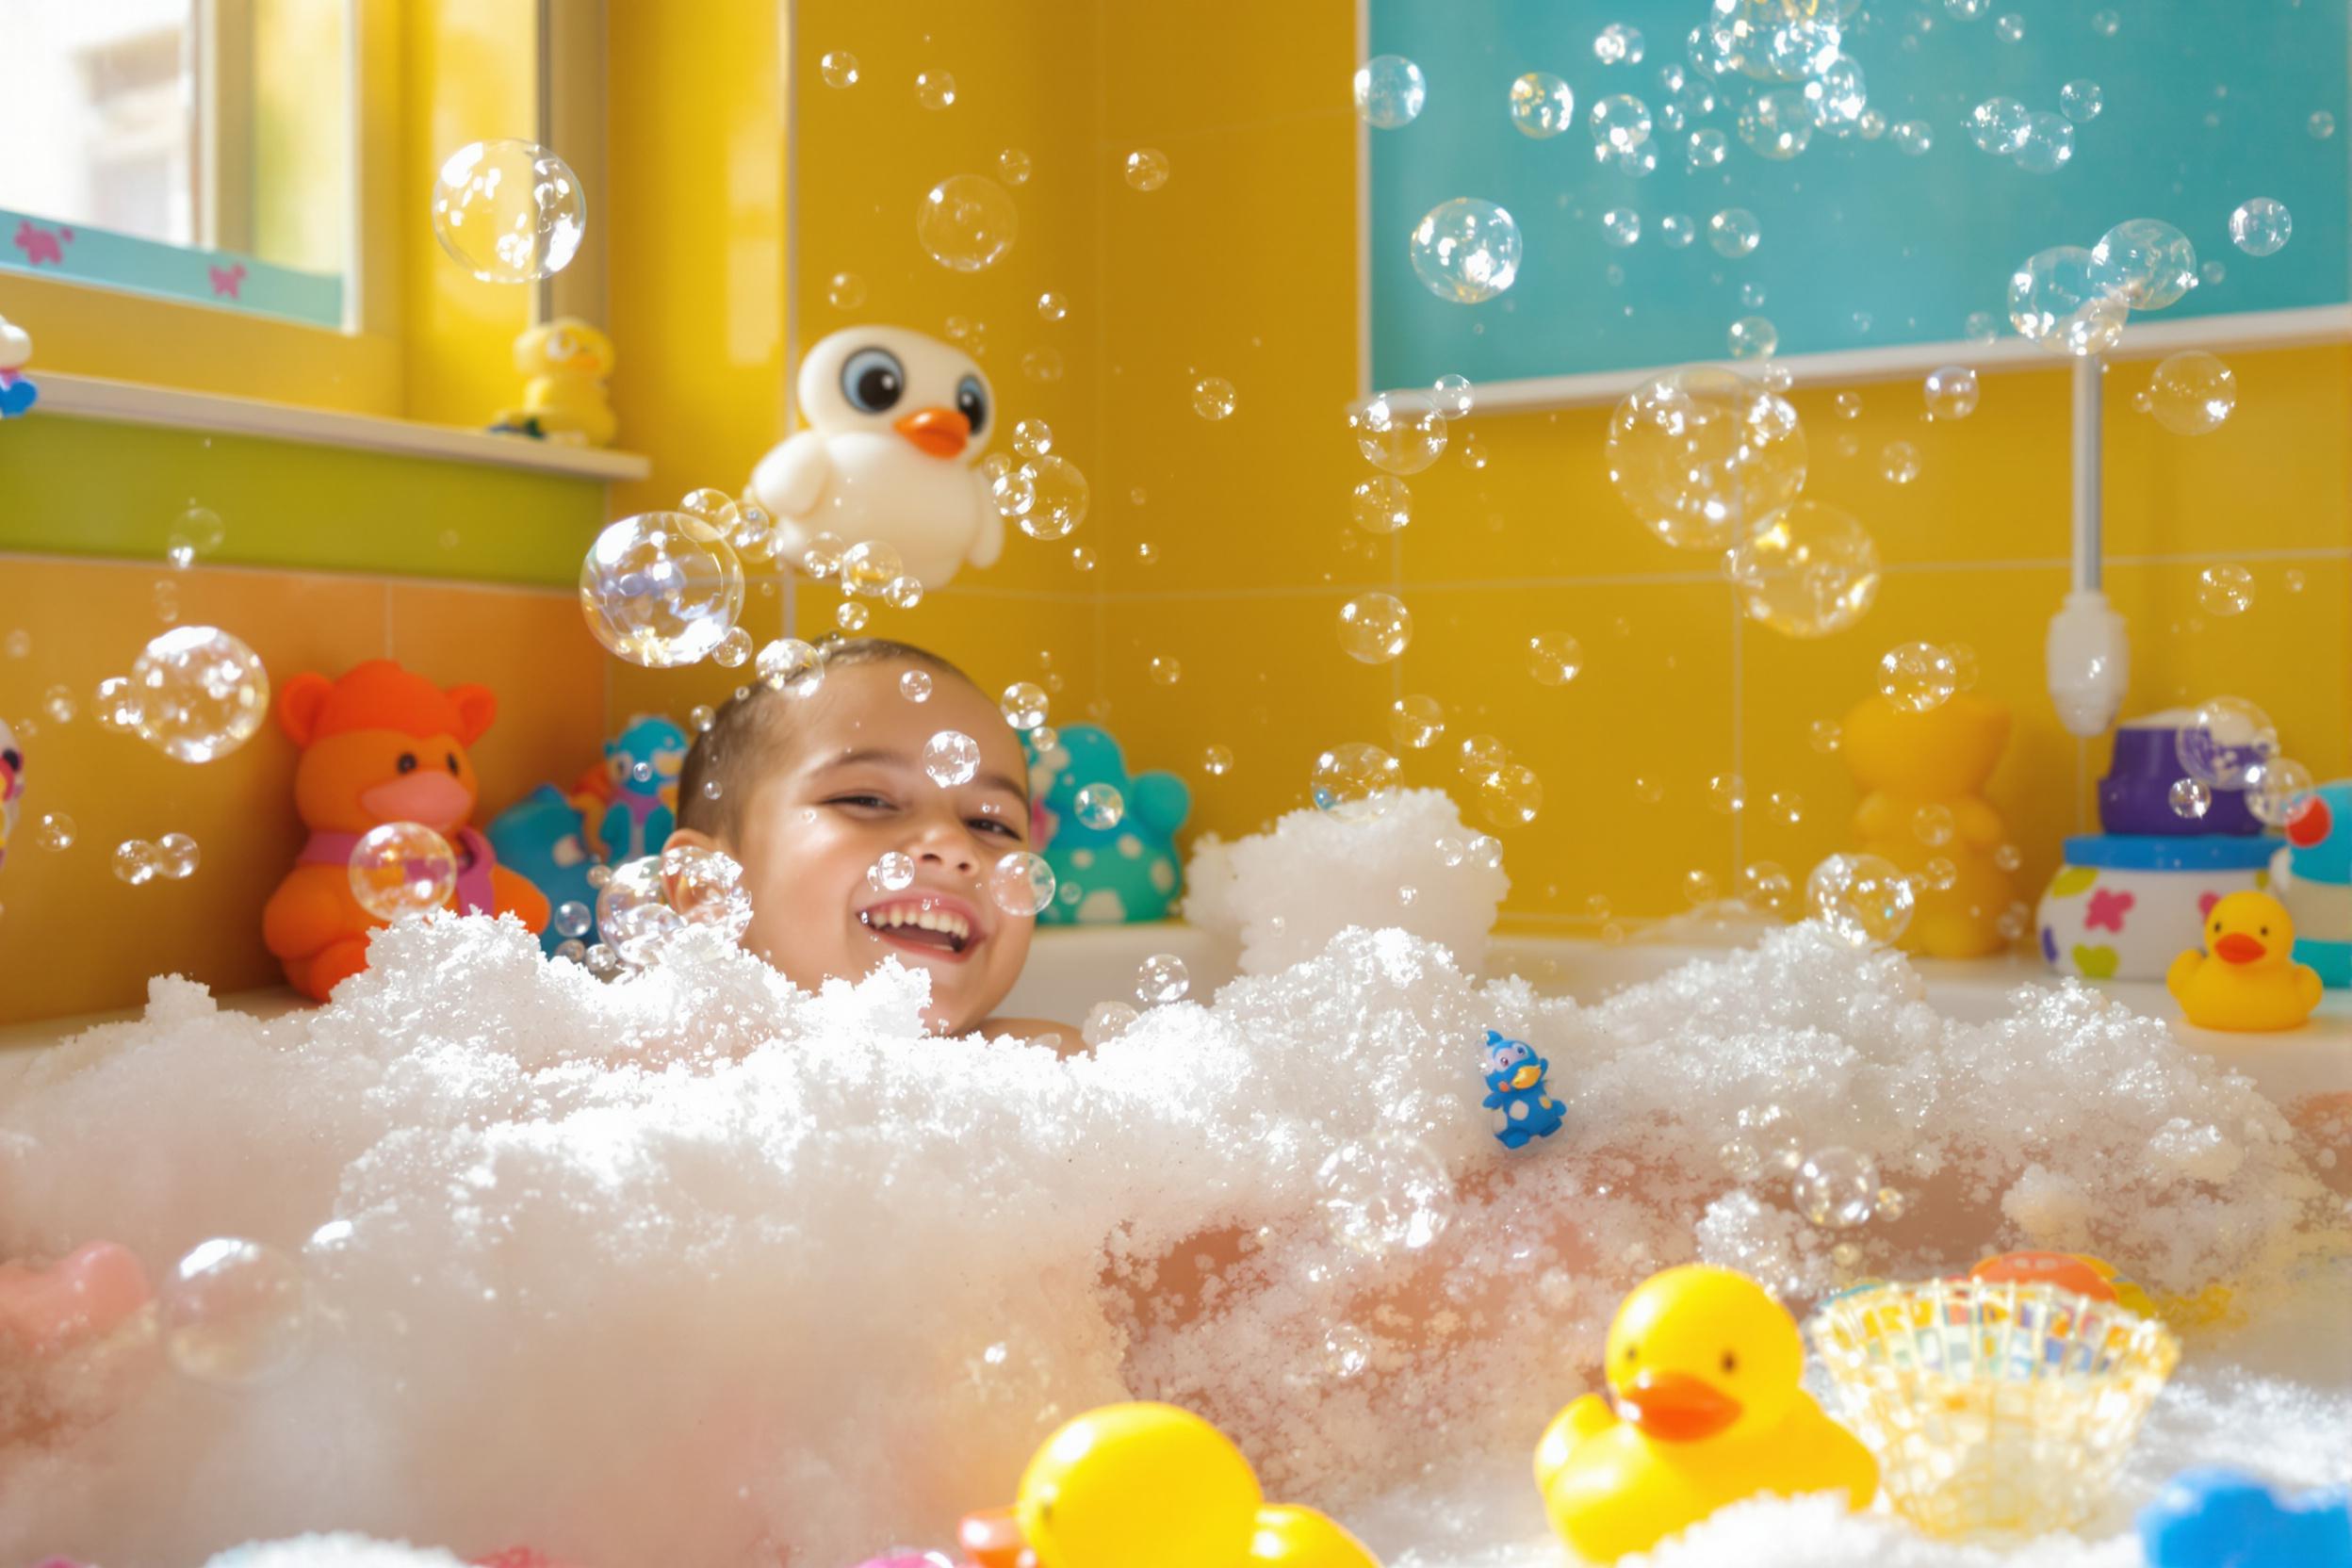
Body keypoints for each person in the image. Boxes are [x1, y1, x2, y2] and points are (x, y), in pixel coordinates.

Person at [664, 638, 1070, 1046]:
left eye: (990, 823)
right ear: (708, 887)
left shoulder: (1049, 1067)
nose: (953, 845)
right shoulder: (656, 1062)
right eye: (867, 800)